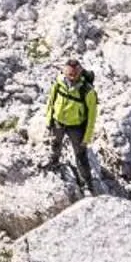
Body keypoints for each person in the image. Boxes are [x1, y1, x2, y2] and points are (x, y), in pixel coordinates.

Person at [45, 58, 98, 190]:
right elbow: (51, 101)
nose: (72, 76)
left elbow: (92, 116)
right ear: (64, 71)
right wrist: (48, 121)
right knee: (55, 144)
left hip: (77, 127)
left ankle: (87, 183)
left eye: (75, 74)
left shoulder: (87, 91)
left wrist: (87, 138)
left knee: (80, 154)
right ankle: (54, 163)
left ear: (80, 72)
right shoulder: (58, 82)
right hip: (58, 121)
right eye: (70, 73)